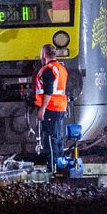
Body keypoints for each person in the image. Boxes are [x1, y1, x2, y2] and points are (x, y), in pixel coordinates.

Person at [35, 43, 68, 172]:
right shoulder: (60, 68)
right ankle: (60, 166)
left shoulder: (48, 69)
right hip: (60, 107)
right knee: (58, 138)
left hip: (51, 107)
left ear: (44, 55)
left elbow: (48, 91)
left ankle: (53, 167)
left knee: (50, 139)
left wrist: (42, 108)